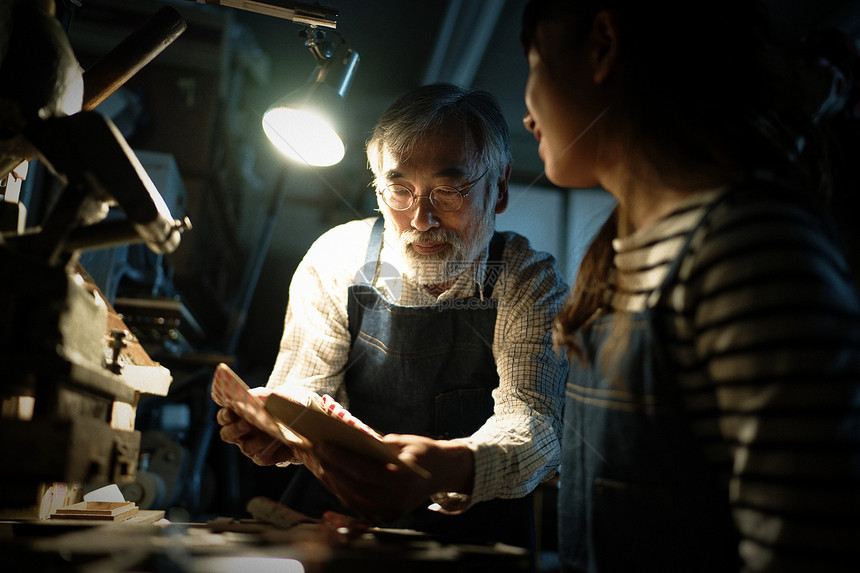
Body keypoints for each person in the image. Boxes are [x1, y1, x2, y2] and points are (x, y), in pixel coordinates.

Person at [519, 1, 860, 572]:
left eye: (534, 61)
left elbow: (805, 546)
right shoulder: (616, 260)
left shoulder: (749, 248)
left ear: (603, 44)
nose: (527, 115)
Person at [217, 82, 569, 550]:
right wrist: (278, 429)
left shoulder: (528, 281)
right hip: (335, 531)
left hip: (473, 547)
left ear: (499, 188)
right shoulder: (336, 259)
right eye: (399, 190)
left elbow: (535, 425)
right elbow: (306, 391)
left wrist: (440, 468)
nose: (421, 219)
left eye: (448, 191)